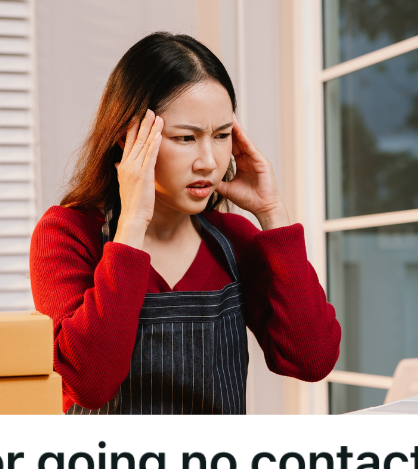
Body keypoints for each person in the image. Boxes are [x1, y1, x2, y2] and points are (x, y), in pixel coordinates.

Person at [30, 32, 341, 414]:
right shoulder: (67, 234)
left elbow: (312, 360)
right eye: (186, 138)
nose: (208, 161)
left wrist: (273, 214)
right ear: (129, 138)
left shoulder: (234, 240)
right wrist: (132, 225)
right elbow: (90, 384)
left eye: (222, 135)